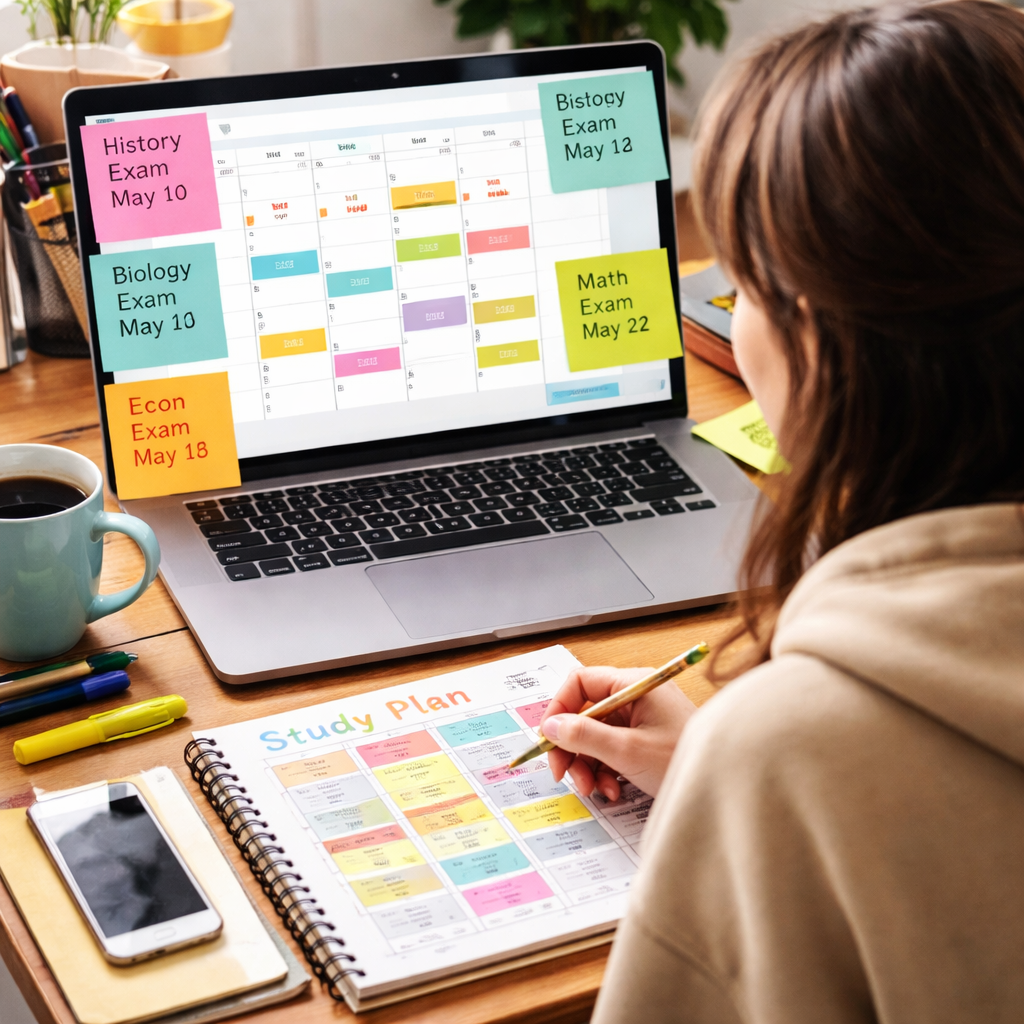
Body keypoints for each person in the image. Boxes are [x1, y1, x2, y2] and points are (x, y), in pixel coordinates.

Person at [539, 2, 1024, 1019]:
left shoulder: (790, 751)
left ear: (819, 340)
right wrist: (734, 790)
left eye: (740, 285)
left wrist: (759, 771)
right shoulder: (779, 756)